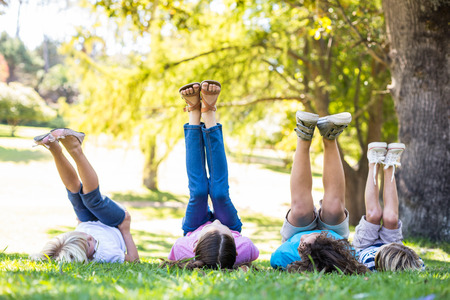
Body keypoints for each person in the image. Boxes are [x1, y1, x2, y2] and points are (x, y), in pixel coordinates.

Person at [166, 80, 259, 269]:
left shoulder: (183, 247)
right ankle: (209, 113)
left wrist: (202, 231)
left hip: (193, 228)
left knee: (199, 191)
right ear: (233, 241)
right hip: (231, 225)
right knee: (219, 193)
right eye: (221, 228)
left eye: (211, 228)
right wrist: (226, 230)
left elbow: (173, 258)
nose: (216, 221)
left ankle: (193, 111)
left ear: (196, 245)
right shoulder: (244, 246)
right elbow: (253, 255)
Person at [270, 111, 367, 274]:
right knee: (335, 208)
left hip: (296, 228)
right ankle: (330, 136)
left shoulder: (286, 254)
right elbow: (358, 260)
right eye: (306, 244)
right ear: (325, 244)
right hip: (335, 234)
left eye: (300, 246)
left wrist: (302, 247)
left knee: (300, 210)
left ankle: (304, 135)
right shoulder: (342, 252)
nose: (302, 240)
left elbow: (276, 260)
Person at [31, 128, 139, 263]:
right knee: (92, 201)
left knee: (74, 191)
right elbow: (134, 261)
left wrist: (80, 226)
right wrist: (126, 230)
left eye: (81, 236)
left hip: (86, 220)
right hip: (114, 223)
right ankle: (75, 148)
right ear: (88, 257)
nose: (89, 237)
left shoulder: (73, 243)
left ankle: (53, 148)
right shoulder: (105, 254)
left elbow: (80, 237)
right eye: (88, 245)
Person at [353, 142, 424, 271]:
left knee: (373, 214)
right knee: (391, 218)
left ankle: (373, 162)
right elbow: (419, 263)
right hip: (394, 249)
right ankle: (389, 166)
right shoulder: (412, 266)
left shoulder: (369, 265)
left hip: (365, 246)